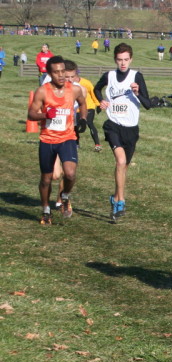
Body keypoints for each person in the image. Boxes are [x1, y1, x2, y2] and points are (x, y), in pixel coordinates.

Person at [93, 43, 152, 221]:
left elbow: (148, 104)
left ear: (131, 59)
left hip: (131, 129)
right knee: (120, 161)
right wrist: (101, 101)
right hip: (113, 125)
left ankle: (115, 197)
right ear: (115, 60)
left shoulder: (136, 77)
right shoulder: (109, 76)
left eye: (126, 60)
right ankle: (121, 202)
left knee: (123, 166)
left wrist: (137, 92)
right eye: (119, 60)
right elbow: (96, 89)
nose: (123, 63)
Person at [28, 56, 87, 225]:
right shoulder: (43, 91)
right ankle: (46, 211)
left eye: (63, 71)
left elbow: (83, 104)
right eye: (57, 72)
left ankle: (65, 196)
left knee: (70, 173)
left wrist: (82, 118)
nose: (61, 75)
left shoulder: (74, 90)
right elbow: (31, 114)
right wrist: (45, 114)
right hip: (47, 139)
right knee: (46, 179)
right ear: (49, 73)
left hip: (67, 138)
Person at [75, 65, 102, 151]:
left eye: (75, 76)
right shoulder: (69, 84)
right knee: (75, 127)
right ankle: (76, 144)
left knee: (90, 123)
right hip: (77, 109)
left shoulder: (86, 83)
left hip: (89, 107)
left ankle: (97, 144)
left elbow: (93, 93)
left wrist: (98, 104)